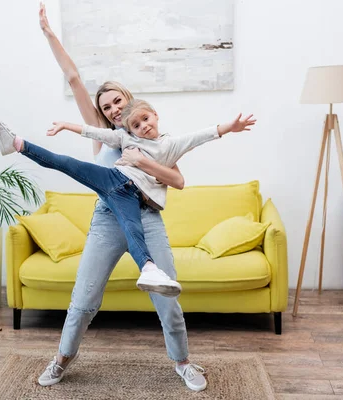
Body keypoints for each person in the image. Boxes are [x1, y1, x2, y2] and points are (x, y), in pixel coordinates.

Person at [20, 2, 250, 391]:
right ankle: (61, 360)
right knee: (83, 300)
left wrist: (143, 162)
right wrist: (48, 33)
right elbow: (75, 78)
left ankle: (183, 363)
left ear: (129, 99)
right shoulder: (104, 133)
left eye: (117, 102)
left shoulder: (151, 137)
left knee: (168, 298)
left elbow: (177, 181)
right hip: (107, 219)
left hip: (147, 218)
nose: (112, 109)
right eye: (106, 107)